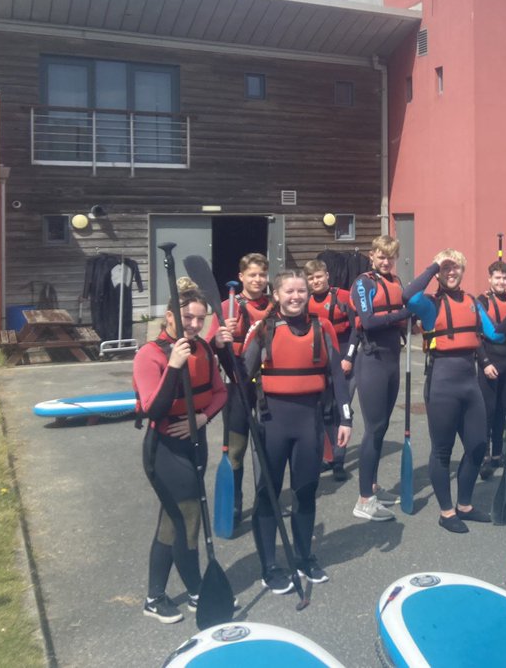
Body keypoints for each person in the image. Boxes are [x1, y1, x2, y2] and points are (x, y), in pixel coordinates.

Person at [242, 270, 352, 591]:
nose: (295, 297)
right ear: (276, 295)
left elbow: (337, 377)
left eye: (301, 291)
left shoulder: (322, 327)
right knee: (269, 494)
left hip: (310, 422)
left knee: (305, 491)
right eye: (288, 291)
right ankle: (270, 566)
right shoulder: (262, 330)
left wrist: (345, 418)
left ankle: (304, 557)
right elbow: (241, 380)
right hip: (271, 423)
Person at [133, 289, 231, 623]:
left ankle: (154, 596)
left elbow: (220, 393)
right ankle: (196, 588)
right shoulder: (150, 355)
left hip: (196, 442)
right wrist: (174, 366)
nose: (194, 325)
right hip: (164, 449)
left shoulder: (203, 348)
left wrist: (202, 419)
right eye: (188, 317)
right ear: (170, 315)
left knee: (171, 521)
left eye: (201, 319)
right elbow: (152, 408)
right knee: (188, 517)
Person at [406, 250, 506, 533]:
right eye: (446, 268)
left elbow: (496, 334)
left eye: (456, 267)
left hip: (469, 381)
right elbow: (407, 297)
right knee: (442, 450)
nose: (452, 272)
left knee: (476, 446)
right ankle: (447, 512)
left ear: (463, 271)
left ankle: (465, 504)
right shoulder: (429, 304)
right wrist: (434, 264)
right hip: (442, 383)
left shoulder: (473, 302)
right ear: (439, 271)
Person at [347, 235, 427, 521]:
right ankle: (363, 500)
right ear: (372, 256)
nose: (386, 261)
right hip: (372, 360)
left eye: (390, 256)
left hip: (392, 360)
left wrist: (414, 323)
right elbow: (368, 322)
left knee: (381, 429)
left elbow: (402, 318)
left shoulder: (397, 282)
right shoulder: (363, 283)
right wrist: (404, 313)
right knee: (373, 428)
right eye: (381, 256)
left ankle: (372, 486)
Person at [216, 253, 272, 530]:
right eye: (252, 275)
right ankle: (235, 503)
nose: (258, 280)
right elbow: (209, 346)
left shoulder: (275, 306)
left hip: (266, 386)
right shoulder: (228, 306)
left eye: (262, 274)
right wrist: (220, 337)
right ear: (241, 277)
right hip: (236, 385)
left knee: (265, 448)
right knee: (236, 450)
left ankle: (266, 500)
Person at [304, 259, 356, 481]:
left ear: (326, 276)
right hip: (320, 357)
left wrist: (349, 357)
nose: (316, 281)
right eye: (311, 278)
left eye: (319, 276)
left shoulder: (342, 296)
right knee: (324, 410)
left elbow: (357, 328)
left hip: (344, 352)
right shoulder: (304, 302)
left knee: (340, 409)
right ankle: (329, 456)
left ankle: (339, 460)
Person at [477, 260, 506, 480]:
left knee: (502, 411)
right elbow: (491, 333)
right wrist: (485, 362)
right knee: (487, 411)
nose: (501, 282)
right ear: (490, 279)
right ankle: (484, 457)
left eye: (505, 278)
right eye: (497, 278)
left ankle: (497, 454)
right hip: (489, 361)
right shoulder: (481, 301)